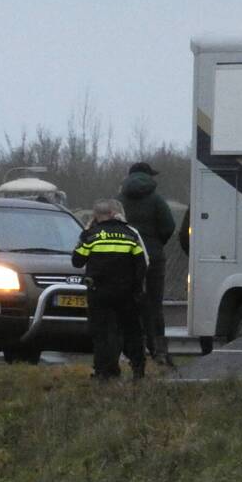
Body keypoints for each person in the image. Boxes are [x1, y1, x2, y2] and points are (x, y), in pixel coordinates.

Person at [72, 199, 149, 381]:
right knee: (132, 331)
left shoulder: (90, 235)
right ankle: (138, 370)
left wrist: (85, 234)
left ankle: (103, 372)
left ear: (95, 216)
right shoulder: (130, 234)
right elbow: (142, 265)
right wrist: (137, 288)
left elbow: (77, 261)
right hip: (127, 293)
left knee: (102, 333)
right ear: (114, 214)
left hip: (99, 293)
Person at [117, 161, 177, 366]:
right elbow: (169, 226)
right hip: (152, 258)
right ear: (148, 176)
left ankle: (130, 351)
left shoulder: (118, 200)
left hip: (124, 259)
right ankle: (159, 352)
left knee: (128, 304)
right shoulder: (157, 199)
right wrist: (155, 243)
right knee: (154, 304)